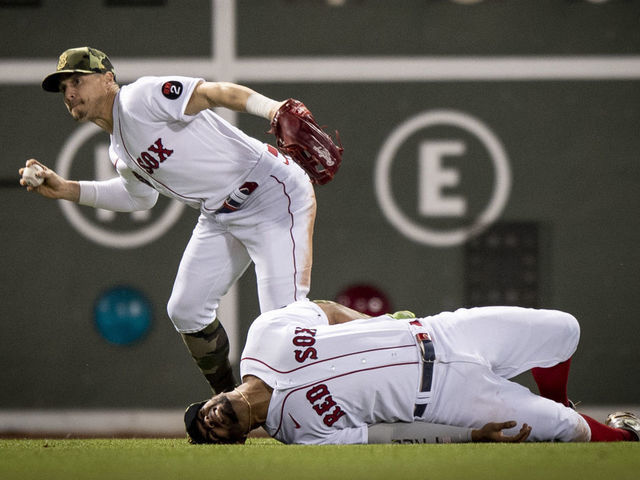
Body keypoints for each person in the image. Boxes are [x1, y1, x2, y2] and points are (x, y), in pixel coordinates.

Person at [19, 47, 318, 394]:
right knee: (186, 310)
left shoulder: (139, 98)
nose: (69, 92)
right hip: (220, 215)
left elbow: (214, 93)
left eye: (76, 80)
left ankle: (357, 372)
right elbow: (139, 198)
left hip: (270, 194)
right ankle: (228, 403)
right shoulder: (119, 150)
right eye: (62, 88)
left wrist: (273, 109)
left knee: (283, 321)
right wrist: (67, 189)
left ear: (107, 79)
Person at [184, 299, 640, 445]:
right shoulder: (297, 433)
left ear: (208, 401)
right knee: (570, 429)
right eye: (211, 435)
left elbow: (323, 310)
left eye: (200, 416)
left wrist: (377, 325)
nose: (208, 422)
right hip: (447, 399)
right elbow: (386, 437)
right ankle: (626, 441)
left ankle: (557, 396)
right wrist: (468, 436)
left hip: (441, 334)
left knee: (563, 329)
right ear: (238, 437)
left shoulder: (263, 336)